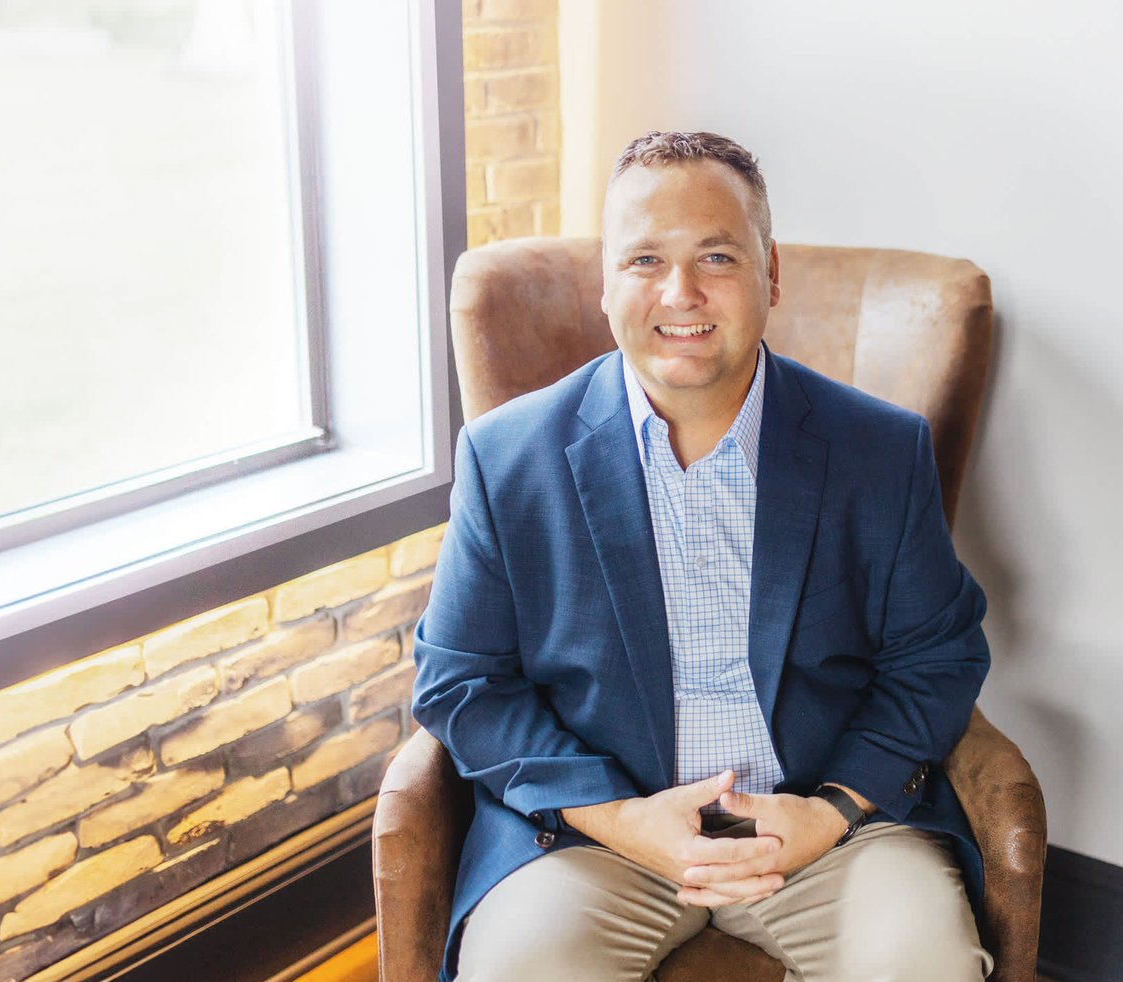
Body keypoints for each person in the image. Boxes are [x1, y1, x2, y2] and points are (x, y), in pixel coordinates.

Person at [411, 131, 993, 981]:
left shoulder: (878, 448)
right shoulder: (507, 458)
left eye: (716, 256)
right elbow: (460, 680)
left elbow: (938, 657)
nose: (679, 292)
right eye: (644, 258)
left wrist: (828, 813)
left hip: (828, 831)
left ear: (771, 274)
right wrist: (620, 818)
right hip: (598, 837)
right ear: (606, 283)